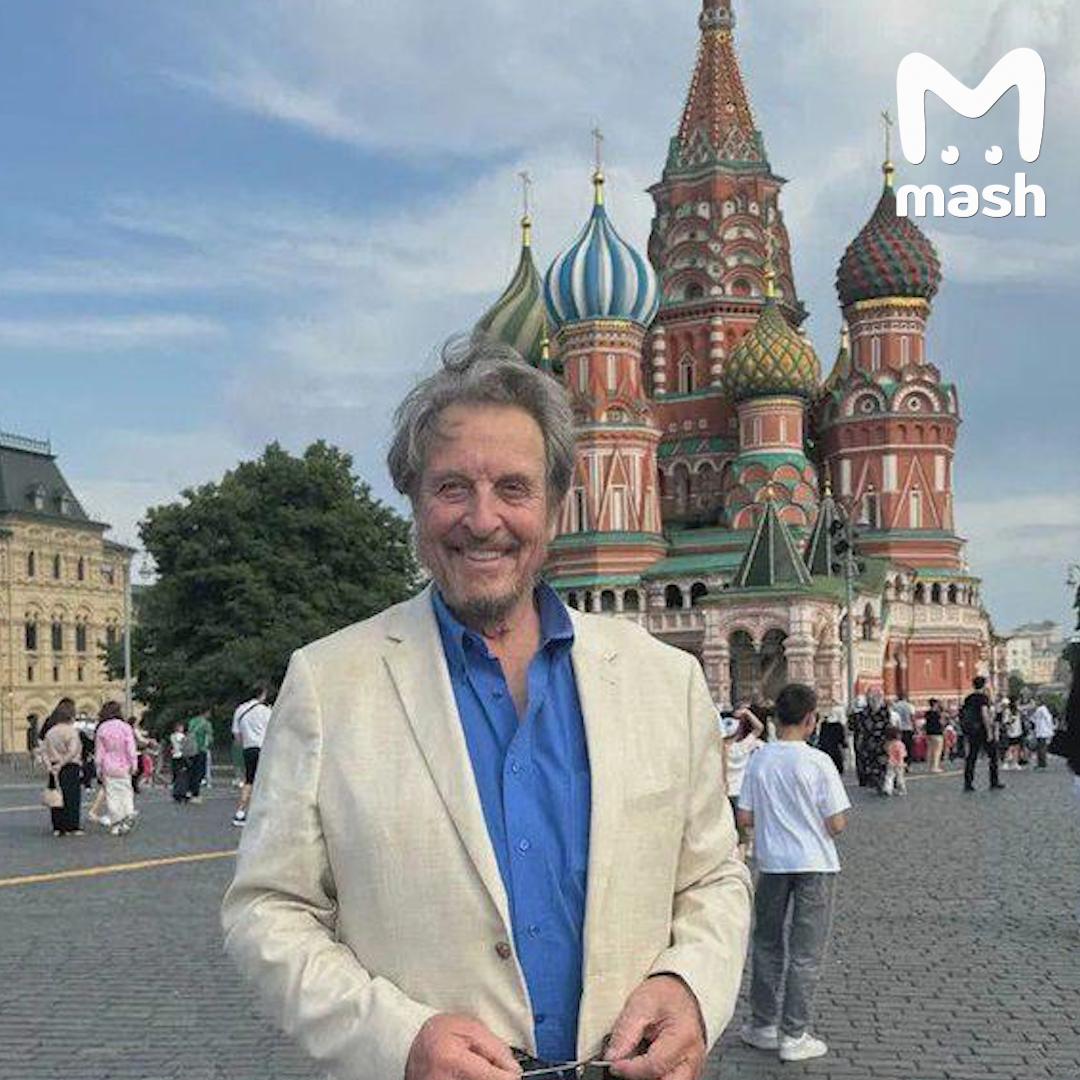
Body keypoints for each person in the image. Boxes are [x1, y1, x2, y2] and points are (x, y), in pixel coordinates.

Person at [221, 337, 753, 1080]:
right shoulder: (329, 684)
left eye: (513, 487)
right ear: (414, 503)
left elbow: (713, 878)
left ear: (556, 508)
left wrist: (688, 987)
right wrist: (399, 1041)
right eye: (451, 488)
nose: (482, 519)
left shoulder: (663, 681)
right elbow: (268, 911)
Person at [737, 682, 850, 1063]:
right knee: (806, 953)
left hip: (772, 864)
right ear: (810, 719)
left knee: (767, 944)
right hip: (815, 865)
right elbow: (836, 823)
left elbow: (745, 816)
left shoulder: (760, 759)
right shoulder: (818, 762)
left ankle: (763, 1025)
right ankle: (794, 1033)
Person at [722, 703, 763, 857]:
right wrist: (746, 713)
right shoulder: (743, 747)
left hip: (724, 793)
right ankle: (742, 858)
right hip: (740, 791)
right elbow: (759, 728)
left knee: (727, 830)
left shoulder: (718, 749)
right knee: (742, 833)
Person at [231, 685, 273, 826]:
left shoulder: (240, 710)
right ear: (263, 694)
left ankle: (240, 812)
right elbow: (273, 731)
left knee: (249, 780)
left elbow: (237, 735)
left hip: (248, 748)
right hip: (264, 748)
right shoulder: (266, 711)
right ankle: (265, 813)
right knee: (266, 781)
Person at [95, 701, 138, 836]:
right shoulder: (125, 727)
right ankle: (128, 813)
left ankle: (116, 822)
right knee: (126, 792)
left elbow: (100, 751)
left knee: (112, 795)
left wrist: (98, 768)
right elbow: (130, 748)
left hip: (108, 765)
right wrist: (134, 764)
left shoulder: (102, 728)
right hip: (124, 765)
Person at [41, 699, 83, 836]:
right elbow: (73, 751)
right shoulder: (71, 732)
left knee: (56, 797)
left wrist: (50, 766)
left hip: (53, 767)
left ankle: (58, 826)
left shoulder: (50, 732)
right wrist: (62, 763)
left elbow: (44, 752)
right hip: (69, 766)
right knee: (71, 797)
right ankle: (72, 826)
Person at [962, 675, 1004, 792]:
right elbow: (984, 714)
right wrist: (989, 731)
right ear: (984, 685)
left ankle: (968, 783)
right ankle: (994, 781)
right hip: (982, 729)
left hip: (971, 730)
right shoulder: (983, 698)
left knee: (972, 756)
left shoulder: (968, 698)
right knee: (993, 756)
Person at [853, 689, 890, 793]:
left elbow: (888, 727)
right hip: (869, 743)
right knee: (870, 763)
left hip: (880, 742)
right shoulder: (864, 713)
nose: (874, 700)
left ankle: (881, 784)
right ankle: (875, 783)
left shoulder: (884, 712)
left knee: (880, 764)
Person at [185, 711, 213, 802]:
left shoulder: (192, 721)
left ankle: (188, 791)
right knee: (200, 772)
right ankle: (195, 794)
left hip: (191, 749)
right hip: (201, 749)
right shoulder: (206, 724)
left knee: (191, 771)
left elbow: (189, 733)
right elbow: (209, 738)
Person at [816, 703, 847, 776]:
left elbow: (821, 738)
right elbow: (842, 740)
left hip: (826, 749)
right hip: (834, 749)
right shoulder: (838, 726)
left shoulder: (824, 724)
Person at [882, 726, 907, 796]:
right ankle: (901, 789)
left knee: (889, 776)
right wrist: (902, 762)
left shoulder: (888, 744)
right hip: (899, 763)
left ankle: (888, 789)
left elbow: (887, 752)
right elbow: (901, 754)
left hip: (890, 762)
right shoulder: (900, 744)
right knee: (900, 777)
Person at [169, 720, 189, 803]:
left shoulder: (172, 736)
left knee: (176, 775)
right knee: (183, 775)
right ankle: (181, 793)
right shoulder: (181, 736)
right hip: (181, 756)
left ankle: (176, 792)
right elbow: (184, 745)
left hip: (174, 756)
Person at [1031, 699, 1055, 768]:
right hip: (1042, 731)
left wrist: (1050, 727)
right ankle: (1041, 763)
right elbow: (1034, 719)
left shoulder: (1041, 709)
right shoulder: (1041, 709)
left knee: (1041, 747)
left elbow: (1048, 718)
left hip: (1042, 731)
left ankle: (1041, 763)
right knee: (1041, 747)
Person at [924, 698, 946, 773]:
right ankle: (935, 767)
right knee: (937, 751)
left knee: (930, 750)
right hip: (937, 733)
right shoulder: (938, 714)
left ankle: (929, 766)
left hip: (929, 733)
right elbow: (942, 723)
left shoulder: (927, 713)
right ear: (935, 704)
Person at [1001, 699, 1024, 770]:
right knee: (1010, 748)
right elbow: (1005, 722)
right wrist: (1010, 725)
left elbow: (1025, 707)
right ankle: (1006, 763)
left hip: (1018, 731)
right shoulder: (1007, 711)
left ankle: (1015, 763)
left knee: (1017, 747)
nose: (1018, 703)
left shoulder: (1017, 710)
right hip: (1011, 731)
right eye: (1017, 701)